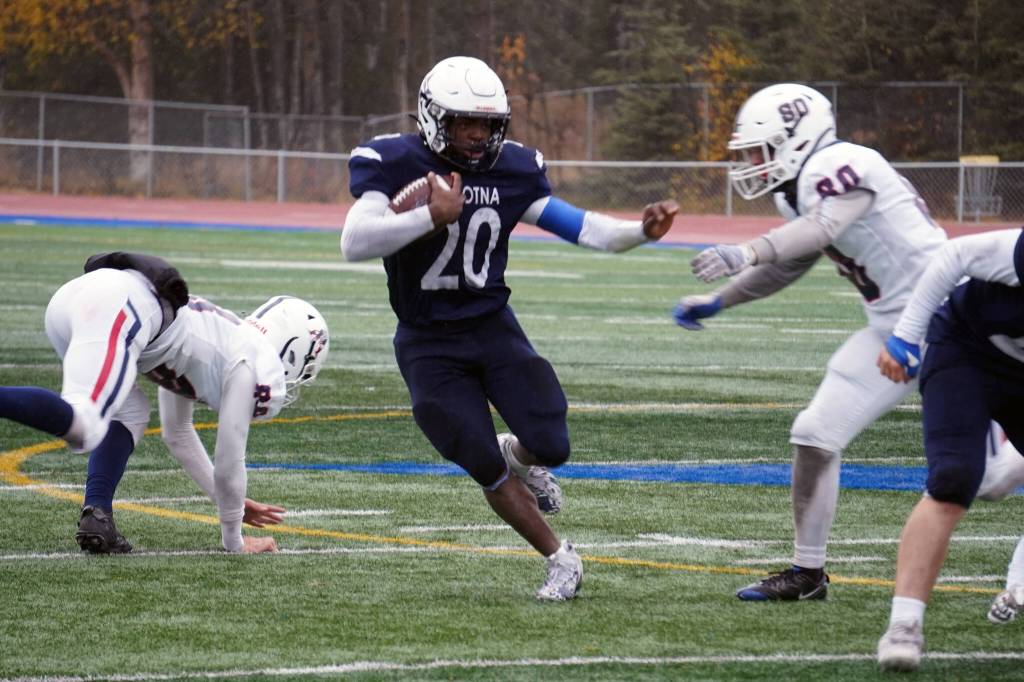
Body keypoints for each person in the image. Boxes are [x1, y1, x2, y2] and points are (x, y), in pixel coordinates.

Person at [341, 56, 678, 601]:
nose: (477, 137)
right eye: (464, 123)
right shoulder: (393, 159)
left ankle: (520, 455)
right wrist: (429, 217)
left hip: (492, 327)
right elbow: (353, 243)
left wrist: (640, 231)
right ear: (432, 118)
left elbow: (581, 228)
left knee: (553, 443)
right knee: (479, 462)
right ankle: (560, 558)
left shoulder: (514, 169)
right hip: (427, 338)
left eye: (487, 125)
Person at [673, 82, 952, 601]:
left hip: (953, 319)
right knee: (815, 434)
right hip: (894, 327)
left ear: (796, 138)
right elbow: (791, 262)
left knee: (992, 475)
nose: (753, 163)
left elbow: (822, 229)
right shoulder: (799, 188)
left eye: (761, 149)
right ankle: (808, 574)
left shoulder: (842, 161)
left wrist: (746, 250)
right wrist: (719, 302)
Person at [0, 252, 329, 554]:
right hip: (120, 306)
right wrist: (235, 540)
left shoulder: (219, 343)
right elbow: (229, 461)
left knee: (130, 412)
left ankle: (97, 514)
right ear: (293, 349)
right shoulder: (248, 362)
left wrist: (232, 502)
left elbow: (178, 434)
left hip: (86, 301)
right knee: (85, 424)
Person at [874, 228, 1024, 671]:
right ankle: (904, 625)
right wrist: (905, 336)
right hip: (968, 352)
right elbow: (955, 253)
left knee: (989, 482)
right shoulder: (1013, 254)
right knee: (954, 476)